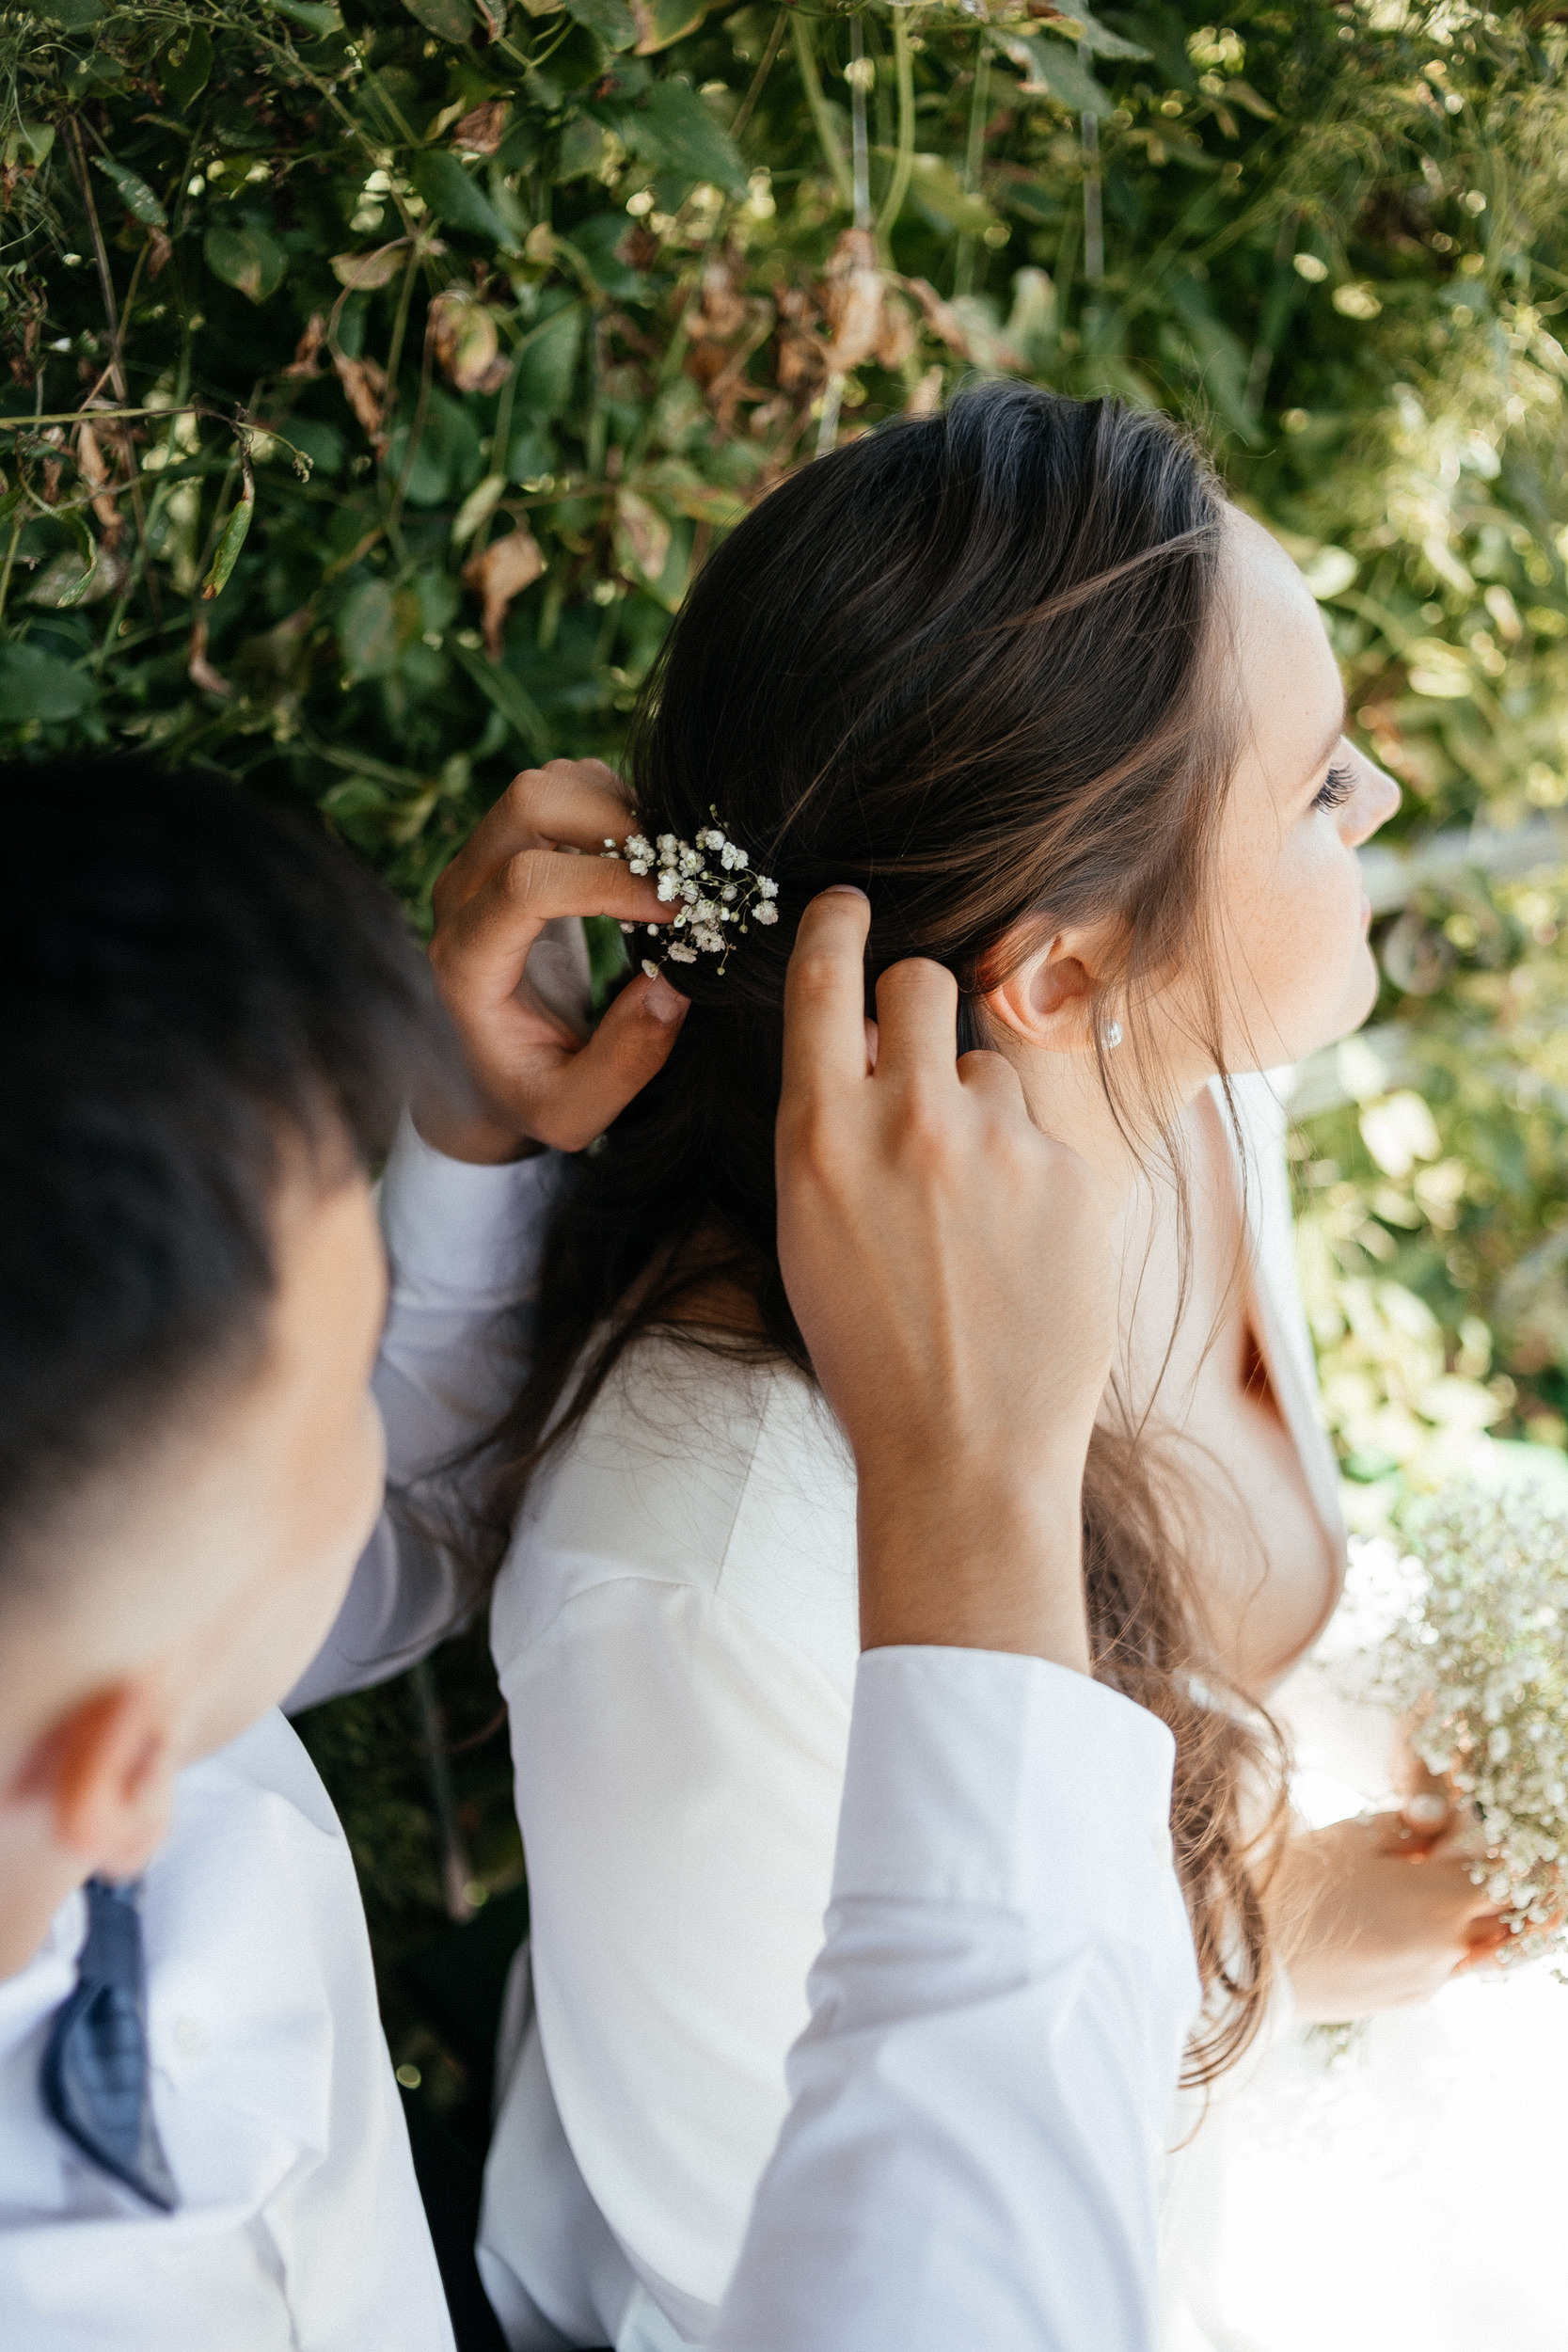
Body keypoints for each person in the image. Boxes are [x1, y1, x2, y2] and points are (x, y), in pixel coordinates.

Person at [386, 386, 1520, 2349]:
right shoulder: (705, 1574)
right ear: (1063, 975)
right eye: (1326, 787)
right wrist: (1261, 1955)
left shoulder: (1178, 1094)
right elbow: (827, 2281)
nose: (1384, 809)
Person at [0, 755, 1198, 2348]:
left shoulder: (79, 1645)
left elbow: (362, 1547)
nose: (380, 1442)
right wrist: (974, 1494)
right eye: (337, 1409)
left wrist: (473, 1136)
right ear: (113, 1783)